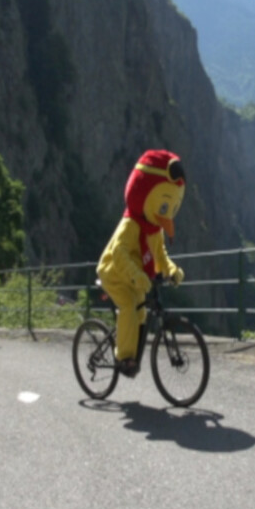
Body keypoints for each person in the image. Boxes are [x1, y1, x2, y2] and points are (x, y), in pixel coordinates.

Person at [97, 149, 186, 376]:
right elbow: (119, 253)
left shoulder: (154, 229)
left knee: (141, 312)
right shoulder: (131, 225)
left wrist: (171, 270)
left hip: (136, 276)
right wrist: (138, 275)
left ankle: (131, 354)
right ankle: (124, 358)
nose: (167, 215)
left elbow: (160, 254)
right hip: (114, 272)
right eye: (165, 207)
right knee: (128, 305)